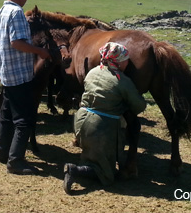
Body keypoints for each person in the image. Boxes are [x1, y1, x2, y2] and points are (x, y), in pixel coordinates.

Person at [63, 42, 146, 194]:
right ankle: (75, 170)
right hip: (101, 127)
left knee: (92, 154)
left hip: (81, 122)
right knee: (107, 174)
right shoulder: (122, 80)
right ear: (119, 61)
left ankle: (87, 164)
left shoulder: (93, 72)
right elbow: (139, 106)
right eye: (126, 59)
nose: (128, 62)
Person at [0, 0, 51, 175]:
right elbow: (16, 42)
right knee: (24, 119)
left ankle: (2, 153)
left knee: (7, 115)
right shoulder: (17, 13)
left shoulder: (2, 11)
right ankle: (16, 161)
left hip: (6, 72)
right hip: (19, 73)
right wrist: (39, 51)